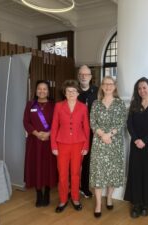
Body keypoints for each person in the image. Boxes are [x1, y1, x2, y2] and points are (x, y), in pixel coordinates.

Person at [124, 77, 148, 218]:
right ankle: (136, 204)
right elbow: (129, 124)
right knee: (135, 173)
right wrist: (136, 139)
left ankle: (146, 204)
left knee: (147, 173)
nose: (142, 91)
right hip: (135, 145)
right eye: (139, 88)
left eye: (144, 87)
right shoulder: (134, 104)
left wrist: (145, 141)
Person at [89, 76, 126, 218]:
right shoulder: (96, 104)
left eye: (111, 84)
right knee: (98, 172)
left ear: (115, 86)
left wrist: (109, 135)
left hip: (114, 142)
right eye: (105, 84)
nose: (108, 86)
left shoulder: (120, 103)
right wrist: (102, 135)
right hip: (99, 142)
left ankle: (109, 197)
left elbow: (121, 122)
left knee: (112, 172)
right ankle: (98, 204)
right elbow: (93, 122)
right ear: (102, 87)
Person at [51, 80, 90, 213]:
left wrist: (86, 146)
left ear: (78, 93)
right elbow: (55, 126)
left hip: (79, 144)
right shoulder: (58, 106)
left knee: (75, 173)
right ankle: (63, 199)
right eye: (69, 91)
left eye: (74, 91)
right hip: (62, 144)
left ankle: (75, 198)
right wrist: (53, 146)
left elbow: (86, 127)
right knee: (62, 173)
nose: (71, 93)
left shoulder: (83, 107)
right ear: (65, 93)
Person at [23, 80, 58, 207]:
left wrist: (48, 134)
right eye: (39, 88)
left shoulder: (55, 105)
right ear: (36, 90)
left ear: (48, 91)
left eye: (44, 89)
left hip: (49, 141)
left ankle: (47, 193)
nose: (42, 91)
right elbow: (26, 122)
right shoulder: (30, 105)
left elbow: (57, 122)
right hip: (34, 142)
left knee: (49, 167)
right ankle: (38, 194)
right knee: (36, 166)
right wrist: (37, 134)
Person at [77, 65, 98, 198]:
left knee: (87, 161)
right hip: (75, 132)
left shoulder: (97, 92)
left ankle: (84, 187)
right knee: (74, 160)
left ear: (90, 77)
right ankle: (71, 187)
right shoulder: (73, 90)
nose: (84, 76)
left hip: (92, 132)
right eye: (81, 74)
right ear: (78, 76)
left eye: (87, 74)